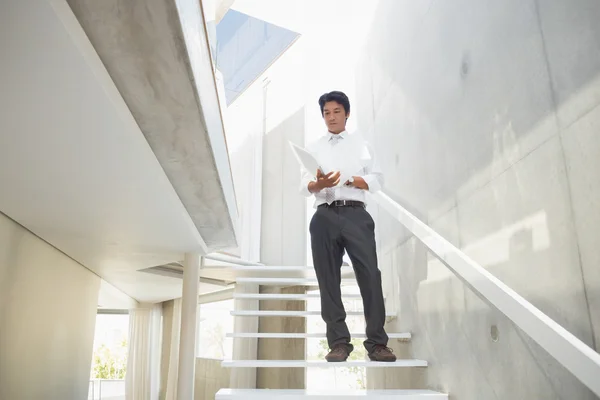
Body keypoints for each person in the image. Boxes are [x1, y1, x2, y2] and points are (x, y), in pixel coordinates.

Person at [299, 91, 396, 363]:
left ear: (347, 113)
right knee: (327, 279)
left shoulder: (362, 143)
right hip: (324, 215)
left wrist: (354, 180)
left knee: (370, 276)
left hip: (356, 214)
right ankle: (339, 343)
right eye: (326, 113)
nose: (331, 117)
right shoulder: (313, 147)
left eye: (336, 111)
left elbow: (377, 178)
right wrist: (320, 184)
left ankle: (378, 343)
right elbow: (303, 184)